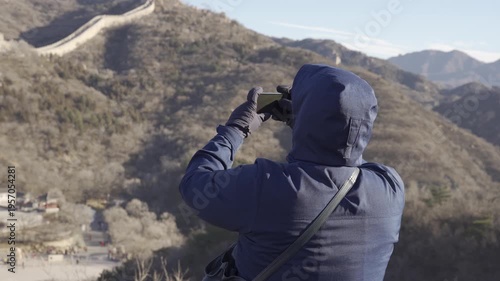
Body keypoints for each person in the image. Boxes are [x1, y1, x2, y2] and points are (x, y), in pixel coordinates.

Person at [179, 64, 405, 281]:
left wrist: (236, 129)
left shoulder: (268, 186)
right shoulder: (390, 188)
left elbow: (195, 185)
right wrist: (311, 122)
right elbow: (346, 159)